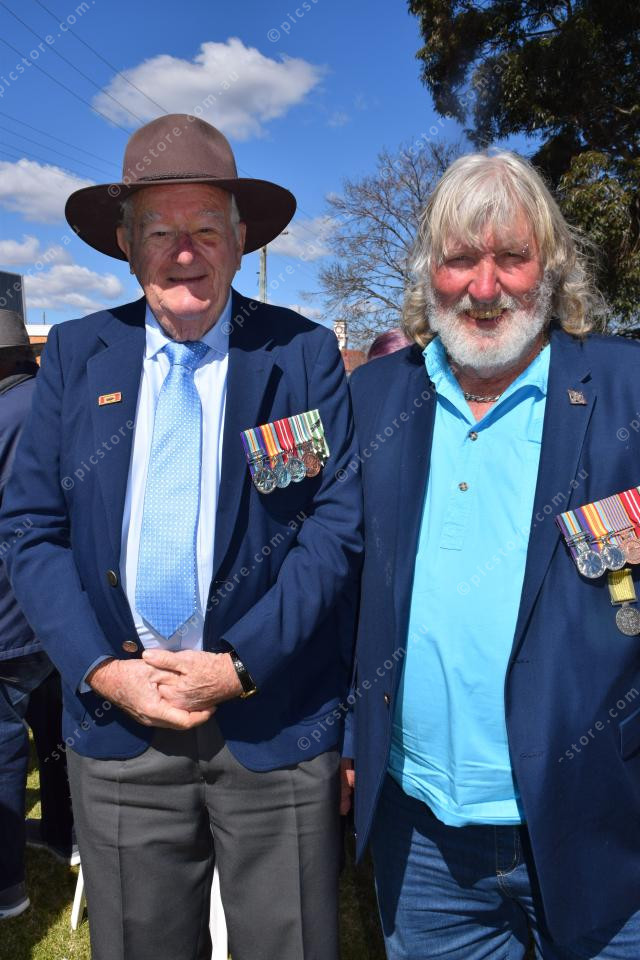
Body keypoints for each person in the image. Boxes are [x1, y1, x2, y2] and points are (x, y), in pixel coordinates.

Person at [1, 114, 362, 960]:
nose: (185, 252)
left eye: (206, 228)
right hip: (120, 729)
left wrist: (240, 664)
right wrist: (103, 669)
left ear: (240, 241)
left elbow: (335, 525)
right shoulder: (78, 355)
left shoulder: (302, 354)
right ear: (127, 246)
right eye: (161, 232)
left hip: (275, 720)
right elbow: (31, 530)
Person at [341, 150, 640, 959]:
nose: (484, 286)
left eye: (511, 256)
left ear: (552, 265)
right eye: (460, 259)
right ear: (427, 271)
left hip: (600, 821)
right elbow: (340, 582)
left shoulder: (626, 389)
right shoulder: (372, 399)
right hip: (422, 836)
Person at [0, 309, 76, 920]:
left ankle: (7, 887)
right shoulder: (57, 406)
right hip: (60, 608)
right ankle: (64, 835)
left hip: (8, 616)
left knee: (4, 747)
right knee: (56, 734)